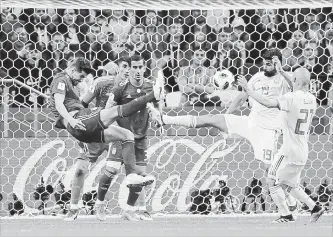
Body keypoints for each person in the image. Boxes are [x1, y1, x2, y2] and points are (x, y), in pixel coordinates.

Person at [150, 48, 297, 208]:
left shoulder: (284, 79)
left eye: (271, 64)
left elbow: (296, 87)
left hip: (268, 132)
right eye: (265, 63)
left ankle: (290, 202)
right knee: (211, 119)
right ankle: (165, 119)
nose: (267, 66)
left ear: (278, 63)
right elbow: (241, 98)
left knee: (271, 173)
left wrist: (281, 70)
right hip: (250, 123)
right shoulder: (257, 78)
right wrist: (225, 119)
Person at [49, 57, 164, 219]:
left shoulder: (70, 82)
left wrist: (154, 111)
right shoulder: (95, 83)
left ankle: (134, 206)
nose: (128, 70)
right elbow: (74, 103)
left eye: (137, 67)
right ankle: (78, 207)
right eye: (126, 66)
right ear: (119, 68)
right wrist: (72, 120)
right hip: (87, 122)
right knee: (85, 168)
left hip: (104, 128)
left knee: (128, 140)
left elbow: (68, 103)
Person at [238, 67, 325, 223]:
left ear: (296, 81)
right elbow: (298, 84)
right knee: (289, 185)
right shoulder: (312, 99)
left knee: (272, 180)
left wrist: (248, 89)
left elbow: (268, 102)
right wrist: (282, 72)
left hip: (288, 150)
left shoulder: (290, 98)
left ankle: (286, 215)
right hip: (302, 149)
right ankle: (315, 208)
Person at [95, 55, 159, 221]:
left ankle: (129, 210)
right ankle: (99, 203)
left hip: (141, 137)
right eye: (134, 67)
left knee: (140, 175)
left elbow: (155, 108)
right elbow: (108, 110)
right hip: (122, 136)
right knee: (111, 171)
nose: (138, 71)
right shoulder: (120, 88)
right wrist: (115, 128)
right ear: (129, 68)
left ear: (145, 68)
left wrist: (156, 115)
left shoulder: (151, 87)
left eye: (140, 67)